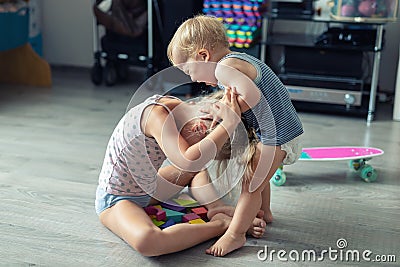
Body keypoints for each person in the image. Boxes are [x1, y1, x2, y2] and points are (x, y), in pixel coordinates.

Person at [167, 14, 304, 256]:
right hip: (279, 132)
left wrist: (230, 111)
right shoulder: (237, 60)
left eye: (189, 70)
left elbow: (252, 98)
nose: (192, 78)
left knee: (250, 185)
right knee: (258, 178)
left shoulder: (223, 69)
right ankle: (265, 212)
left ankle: (235, 234)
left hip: (277, 136)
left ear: (203, 56)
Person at [95, 90, 242, 257]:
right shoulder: (155, 115)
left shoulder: (177, 107)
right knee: (148, 242)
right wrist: (229, 123)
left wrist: (217, 207)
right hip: (118, 198)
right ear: (199, 128)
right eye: (199, 146)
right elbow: (187, 161)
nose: (200, 155)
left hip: (148, 186)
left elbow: (193, 166)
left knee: (195, 170)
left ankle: (217, 208)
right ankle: (221, 224)